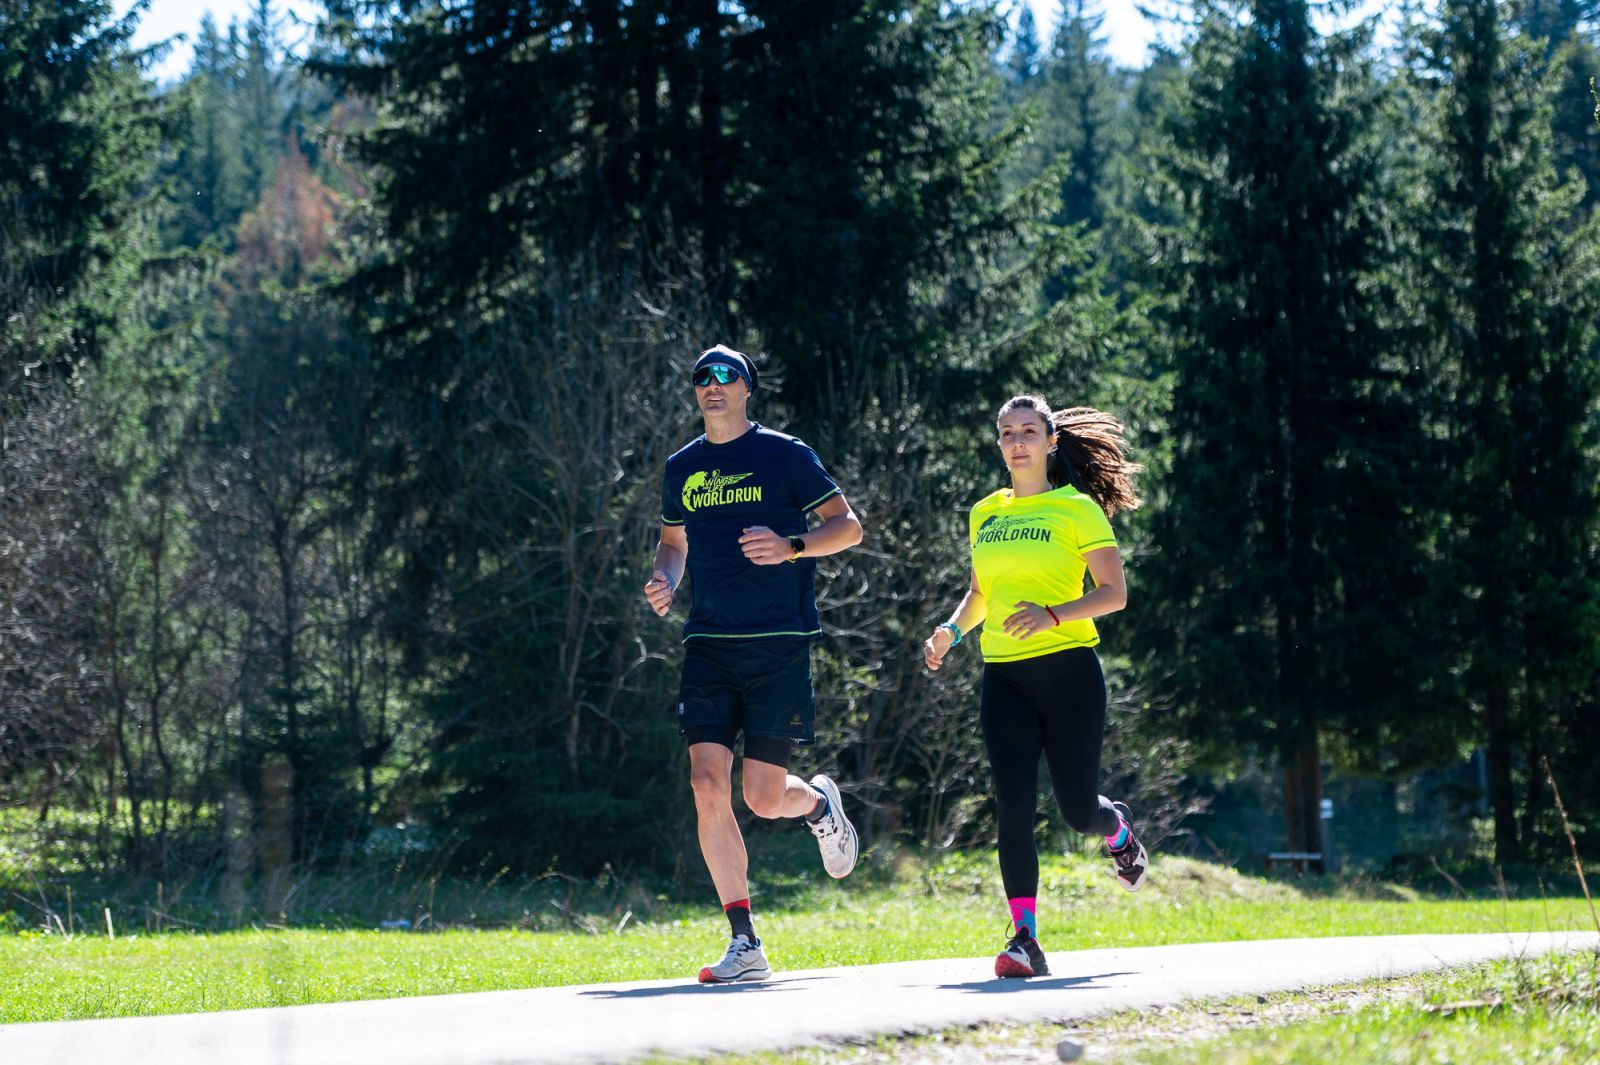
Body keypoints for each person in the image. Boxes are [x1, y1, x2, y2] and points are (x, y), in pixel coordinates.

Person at [645, 344, 864, 984]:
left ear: (747, 389)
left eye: (726, 376)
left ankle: (820, 807)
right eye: (702, 378)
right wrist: (663, 579)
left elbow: (847, 527)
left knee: (763, 798)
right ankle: (745, 942)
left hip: (777, 642)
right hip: (708, 643)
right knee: (705, 784)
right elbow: (672, 543)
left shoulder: (786, 455)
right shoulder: (681, 467)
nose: (713, 386)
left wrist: (791, 545)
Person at [923, 395, 1149, 979]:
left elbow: (1113, 594)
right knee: (1013, 805)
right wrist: (950, 631)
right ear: (999, 444)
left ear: (1051, 441)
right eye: (1006, 433)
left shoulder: (1077, 510)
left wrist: (1053, 613)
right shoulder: (984, 513)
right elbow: (980, 594)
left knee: (1077, 811)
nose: (1017, 442)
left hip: (1070, 671)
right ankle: (1025, 938)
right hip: (1005, 679)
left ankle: (1117, 829)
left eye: (1028, 431)